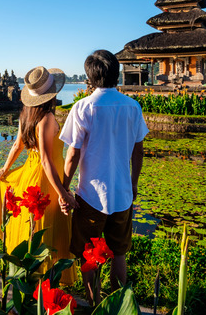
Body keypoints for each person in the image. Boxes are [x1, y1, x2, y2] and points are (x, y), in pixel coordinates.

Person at [59, 49, 149, 305]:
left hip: (91, 196)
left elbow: (72, 155)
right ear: (116, 73)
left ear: (90, 77)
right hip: (122, 194)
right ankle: (120, 305)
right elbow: (138, 150)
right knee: (119, 253)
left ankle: (96, 305)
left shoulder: (83, 107)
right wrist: (133, 183)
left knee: (90, 254)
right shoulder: (132, 107)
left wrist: (64, 189)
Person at [0, 66, 76, 285]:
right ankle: (44, 284)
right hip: (45, 179)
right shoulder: (46, 118)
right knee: (47, 230)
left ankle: (28, 280)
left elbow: (17, 145)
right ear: (52, 94)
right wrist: (63, 192)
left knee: (31, 227)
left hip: (29, 174)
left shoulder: (26, 115)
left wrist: (6, 169)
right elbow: (46, 159)